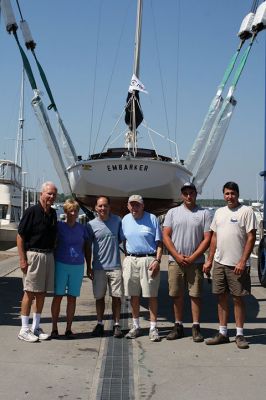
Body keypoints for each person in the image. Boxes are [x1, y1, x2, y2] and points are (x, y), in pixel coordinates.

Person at [203, 181, 257, 349]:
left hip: (237, 264)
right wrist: (210, 259)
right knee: (221, 297)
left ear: (237, 194)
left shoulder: (246, 211)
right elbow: (214, 237)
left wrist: (242, 261)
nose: (229, 197)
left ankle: (240, 334)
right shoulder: (219, 212)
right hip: (219, 262)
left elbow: (251, 237)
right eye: (227, 193)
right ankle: (223, 332)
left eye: (232, 193)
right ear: (223, 195)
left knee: (238, 299)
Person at [163, 182, 212, 342]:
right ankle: (178, 326)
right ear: (182, 195)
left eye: (191, 193)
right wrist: (177, 255)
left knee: (195, 295)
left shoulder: (204, 213)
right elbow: (166, 236)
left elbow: (207, 238)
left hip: (196, 261)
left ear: (196, 194)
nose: (189, 196)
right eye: (186, 193)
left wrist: (193, 256)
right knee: (176, 295)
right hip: (175, 261)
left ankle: (196, 326)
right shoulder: (172, 212)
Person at [17, 181, 58, 342]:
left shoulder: (53, 214)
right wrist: (22, 259)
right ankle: (24, 329)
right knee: (29, 292)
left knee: (41, 294)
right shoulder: (31, 212)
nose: (51, 196)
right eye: (49, 193)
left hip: (48, 256)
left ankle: (36, 327)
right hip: (33, 255)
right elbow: (20, 236)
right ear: (41, 194)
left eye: (54, 194)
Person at [122, 194, 163, 342]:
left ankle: (153, 327)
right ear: (128, 206)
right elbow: (123, 239)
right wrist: (127, 259)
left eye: (137, 204)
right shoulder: (125, 220)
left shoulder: (152, 218)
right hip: (131, 259)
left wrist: (157, 260)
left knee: (151, 295)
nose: (134, 207)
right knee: (133, 295)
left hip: (149, 259)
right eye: (132, 205)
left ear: (143, 206)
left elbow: (159, 243)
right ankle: (136, 326)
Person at [51, 199, 90, 339]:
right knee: (58, 297)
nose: (73, 213)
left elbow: (86, 247)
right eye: (70, 210)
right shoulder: (59, 226)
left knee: (72, 298)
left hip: (78, 266)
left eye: (75, 210)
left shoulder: (82, 228)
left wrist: (89, 265)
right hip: (61, 264)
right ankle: (54, 328)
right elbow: (53, 244)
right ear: (66, 212)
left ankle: (68, 328)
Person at [87, 196, 124, 338]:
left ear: (110, 207)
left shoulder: (117, 221)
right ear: (96, 208)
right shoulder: (90, 225)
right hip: (98, 267)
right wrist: (88, 266)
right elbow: (87, 246)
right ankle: (100, 323)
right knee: (99, 297)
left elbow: (123, 241)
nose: (103, 208)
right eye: (100, 206)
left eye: (105, 206)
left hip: (115, 266)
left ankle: (116, 324)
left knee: (116, 297)